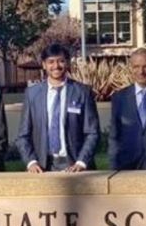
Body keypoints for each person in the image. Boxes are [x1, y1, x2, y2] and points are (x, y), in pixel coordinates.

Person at [15, 43, 100, 172]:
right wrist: (31, 162)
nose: (56, 66)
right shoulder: (32, 94)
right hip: (43, 167)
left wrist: (82, 162)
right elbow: (23, 135)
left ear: (67, 63)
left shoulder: (82, 92)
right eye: (51, 62)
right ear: (44, 64)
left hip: (75, 165)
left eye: (61, 61)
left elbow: (92, 132)